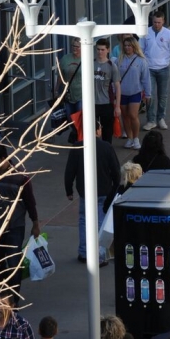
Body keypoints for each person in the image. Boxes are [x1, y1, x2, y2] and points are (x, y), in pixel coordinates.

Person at [0, 144, 40, 304]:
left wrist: (35, 224)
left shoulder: (21, 178)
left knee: (13, 265)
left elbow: (30, 202)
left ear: (3, 159)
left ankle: (12, 300)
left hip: (14, 228)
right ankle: (4, 290)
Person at [65, 120, 120, 265]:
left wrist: (69, 190)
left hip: (85, 192)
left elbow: (69, 171)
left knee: (84, 220)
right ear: (97, 131)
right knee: (101, 222)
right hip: (104, 191)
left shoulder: (77, 147)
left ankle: (84, 252)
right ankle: (100, 254)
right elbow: (116, 172)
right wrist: (114, 189)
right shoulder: (107, 147)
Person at [141, 11, 170, 132]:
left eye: (159, 22)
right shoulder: (145, 33)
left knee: (163, 95)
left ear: (163, 21)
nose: (157, 24)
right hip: (149, 69)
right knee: (150, 95)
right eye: (154, 22)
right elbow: (140, 49)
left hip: (164, 68)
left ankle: (161, 118)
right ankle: (151, 120)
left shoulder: (169, 34)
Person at [115, 36, 151, 150]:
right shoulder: (119, 60)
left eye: (129, 45)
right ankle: (129, 138)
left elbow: (146, 78)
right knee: (124, 116)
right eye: (125, 46)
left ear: (134, 46)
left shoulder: (141, 60)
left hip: (135, 92)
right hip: (122, 93)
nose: (127, 48)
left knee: (133, 115)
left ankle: (136, 138)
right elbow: (114, 78)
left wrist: (148, 94)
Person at [93, 38, 121, 144]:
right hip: (93, 103)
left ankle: (106, 153)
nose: (100, 52)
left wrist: (117, 106)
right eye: (98, 49)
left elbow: (117, 87)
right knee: (92, 132)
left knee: (107, 133)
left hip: (106, 103)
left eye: (102, 49)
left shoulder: (112, 66)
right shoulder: (90, 64)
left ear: (108, 50)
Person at [57, 39, 83, 127]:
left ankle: (81, 138)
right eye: (73, 46)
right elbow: (60, 76)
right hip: (68, 95)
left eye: (77, 46)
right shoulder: (65, 59)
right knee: (69, 118)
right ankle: (75, 135)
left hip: (81, 95)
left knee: (80, 118)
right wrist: (57, 90)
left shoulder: (86, 59)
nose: (74, 48)